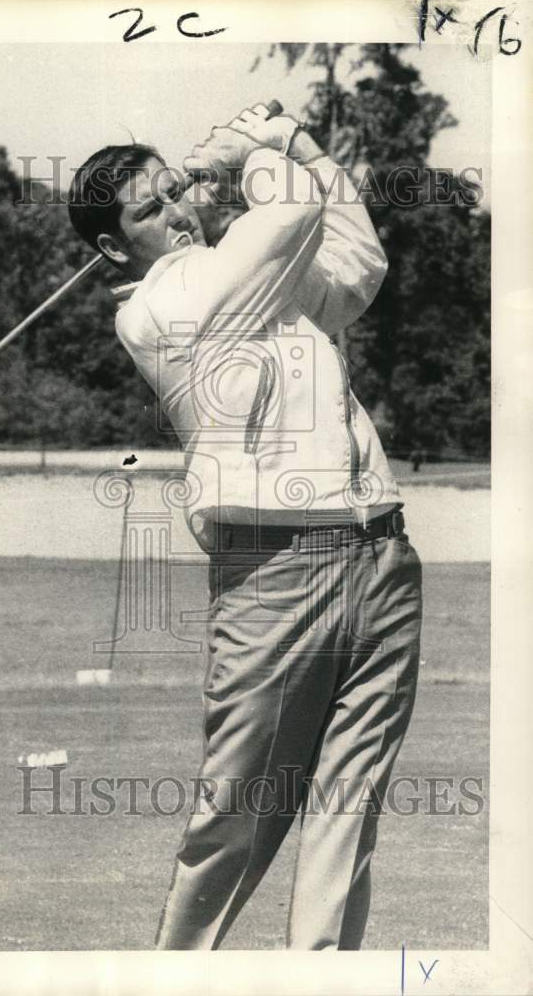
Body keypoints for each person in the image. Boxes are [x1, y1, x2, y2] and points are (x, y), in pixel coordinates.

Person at [68, 104, 423, 950]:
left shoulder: (258, 289)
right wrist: (253, 152)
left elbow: (355, 261)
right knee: (233, 821)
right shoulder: (162, 303)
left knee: (347, 813)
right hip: (275, 576)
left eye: (175, 191)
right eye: (151, 209)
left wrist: (299, 146)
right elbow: (292, 211)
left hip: (380, 555)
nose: (179, 212)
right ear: (115, 249)